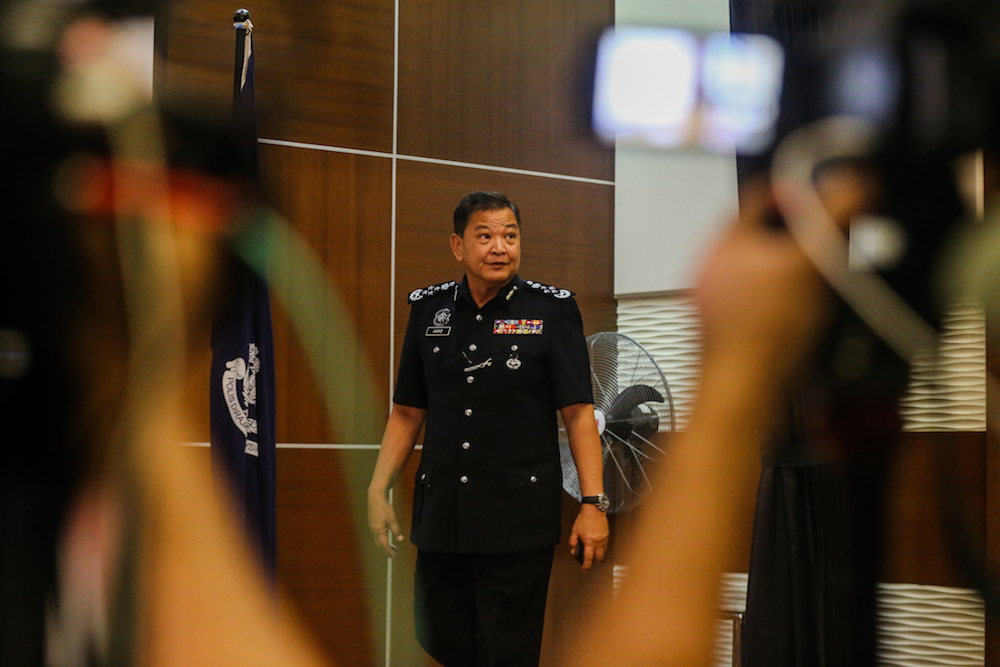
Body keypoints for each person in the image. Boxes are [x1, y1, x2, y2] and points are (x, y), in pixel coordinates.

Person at [367, 191, 609, 667]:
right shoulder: (429, 309)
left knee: (506, 651)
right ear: (459, 246)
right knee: (435, 632)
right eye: (486, 236)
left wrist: (592, 503)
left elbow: (579, 412)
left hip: (516, 518)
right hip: (443, 518)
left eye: (510, 235)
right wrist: (378, 490)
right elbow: (407, 412)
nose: (500, 247)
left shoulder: (551, 310)